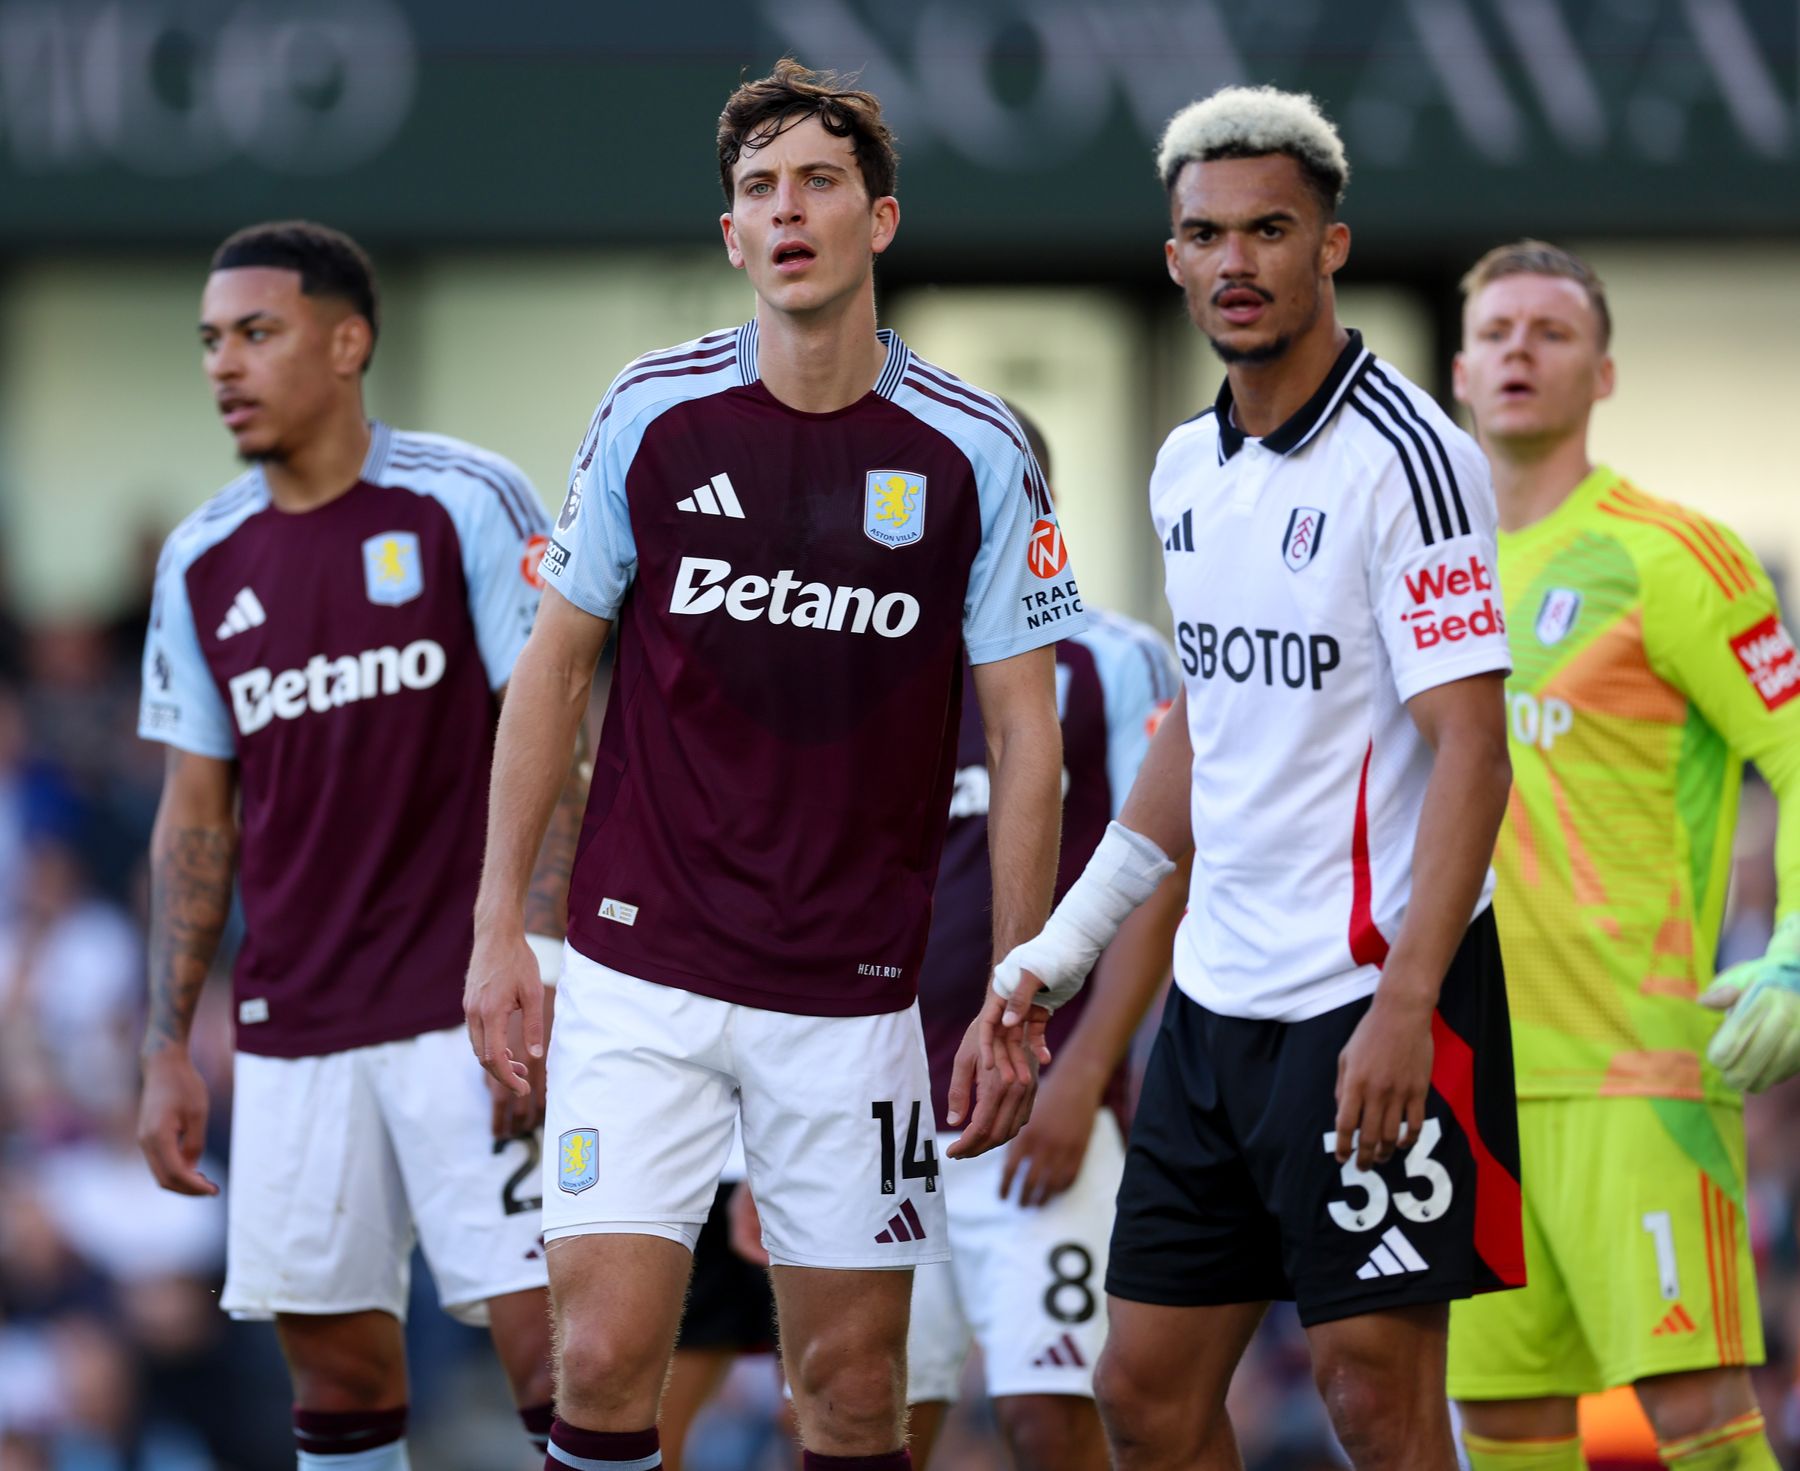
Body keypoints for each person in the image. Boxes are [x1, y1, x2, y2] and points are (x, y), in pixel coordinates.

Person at [462, 60, 1077, 1471]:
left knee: (854, 1389)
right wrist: (506, 923)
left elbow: (1024, 734)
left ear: (881, 219)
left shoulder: (975, 449)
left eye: (817, 183)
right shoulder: (652, 411)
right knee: (605, 1358)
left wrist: (1016, 988)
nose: (786, 211)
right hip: (637, 972)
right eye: (757, 191)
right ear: (732, 236)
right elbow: (555, 668)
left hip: (854, 999)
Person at [988, 86, 1526, 1470]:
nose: (1235, 259)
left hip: (1375, 998)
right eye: (1205, 233)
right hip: (1215, 1010)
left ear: (1330, 245)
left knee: (1372, 1395)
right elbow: (1199, 736)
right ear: (1172, 256)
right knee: (1145, 1390)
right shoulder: (1183, 467)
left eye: (1269, 229)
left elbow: (1476, 739)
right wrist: (1062, 945)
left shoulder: (1412, 457)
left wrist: (1409, 1000)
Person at [135, 220, 582, 1470]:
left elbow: (563, 742)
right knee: (333, 1366)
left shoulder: (463, 500)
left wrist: (537, 960)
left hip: (469, 1003)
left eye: (257, 334)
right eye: (212, 342)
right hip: (295, 1024)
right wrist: (167, 1043)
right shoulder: (202, 559)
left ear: (348, 342)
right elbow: (195, 813)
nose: (225, 364)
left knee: (559, 1351)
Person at [1445, 240, 1800, 1471]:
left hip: (1635, 1070)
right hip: (1466, 1074)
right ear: (1459, 370)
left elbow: (1797, 751)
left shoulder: (1671, 554)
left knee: (1696, 1417)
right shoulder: (1421, 567)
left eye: (1551, 333)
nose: (1521, 353)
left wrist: (1796, 954)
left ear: (1603, 374)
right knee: (1505, 1422)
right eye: (1498, 333)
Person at [903, 403, 1188, 1471]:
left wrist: (1081, 1073)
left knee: (1050, 1409)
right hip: (873, 1099)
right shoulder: (872, 669)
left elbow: (1168, 866)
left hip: (1040, 1100)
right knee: (863, 1408)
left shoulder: (1113, 660)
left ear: (1040, 508)